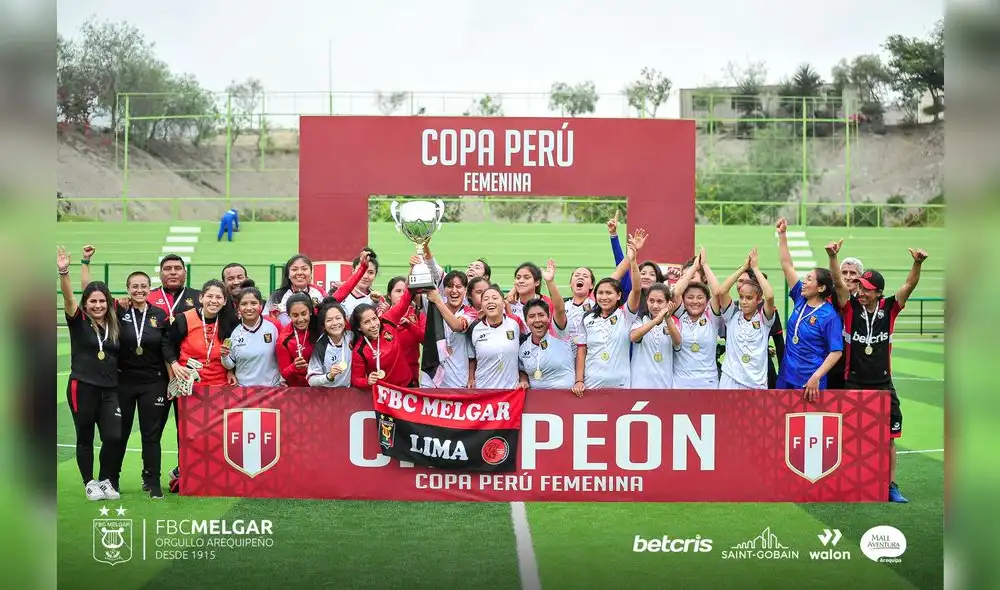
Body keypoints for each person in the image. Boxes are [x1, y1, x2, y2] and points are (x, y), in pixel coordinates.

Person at [831, 242, 928, 503]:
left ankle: (890, 486)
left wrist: (917, 263)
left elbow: (909, 285)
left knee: (888, 439)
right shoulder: (850, 307)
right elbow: (839, 285)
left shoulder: (890, 308)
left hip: (883, 384)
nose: (861, 292)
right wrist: (833, 257)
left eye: (866, 289)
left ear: (878, 293)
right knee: (849, 437)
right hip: (853, 383)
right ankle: (849, 483)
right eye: (860, 287)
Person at [81, 246, 174, 498]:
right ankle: (111, 480)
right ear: (128, 288)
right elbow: (90, 293)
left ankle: (152, 481)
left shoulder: (160, 315)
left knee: (151, 435)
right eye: (134, 286)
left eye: (143, 286)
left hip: (153, 383)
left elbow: (166, 348)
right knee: (118, 434)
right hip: (122, 382)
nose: (139, 290)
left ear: (150, 288)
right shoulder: (118, 310)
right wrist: (85, 262)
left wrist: (171, 379)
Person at [58, 246, 122, 501]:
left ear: (108, 302)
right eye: (93, 301)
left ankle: (105, 480)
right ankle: (89, 483)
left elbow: (91, 287)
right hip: (82, 387)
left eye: (102, 301)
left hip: (110, 389)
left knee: (113, 436)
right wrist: (64, 271)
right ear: (86, 304)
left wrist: (86, 262)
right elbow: (69, 297)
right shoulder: (78, 320)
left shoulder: (114, 322)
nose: (97, 305)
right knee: (85, 436)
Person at [775, 218, 843, 400]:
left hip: (810, 382)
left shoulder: (829, 316)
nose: (803, 282)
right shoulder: (800, 298)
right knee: (780, 417)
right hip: (786, 376)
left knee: (803, 419)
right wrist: (782, 235)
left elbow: (836, 351)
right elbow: (787, 266)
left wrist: (816, 377)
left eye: (809, 279)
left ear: (821, 288)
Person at [574, 230, 645, 394]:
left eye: (609, 293)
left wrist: (633, 260)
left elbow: (637, 289)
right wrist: (579, 380)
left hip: (621, 385)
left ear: (618, 295)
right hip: (591, 385)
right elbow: (582, 350)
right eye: (600, 293)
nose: (604, 297)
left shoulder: (625, 314)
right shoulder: (587, 318)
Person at [716, 248, 777, 389]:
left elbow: (770, 296)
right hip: (730, 380)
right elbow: (722, 291)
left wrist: (755, 269)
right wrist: (744, 268)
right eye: (741, 297)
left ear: (758, 300)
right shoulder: (732, 315)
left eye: (749, 298)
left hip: (755, 383)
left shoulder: (764, 320)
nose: (744, 301)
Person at [671, 248, 725, 390]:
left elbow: (717, 292)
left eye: (700, 298)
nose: (695, 301)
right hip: (680, 384)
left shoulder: (711, 315)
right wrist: (694, 268)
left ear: (706, 300)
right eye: (690, 297)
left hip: (708, 384)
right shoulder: (679, 313)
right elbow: (677, 292)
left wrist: (704, 265)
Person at [519, 260, 575, 390]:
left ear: (549, 317)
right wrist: (523, 379)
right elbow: (522, 369)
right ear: (526, 321)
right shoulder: (523, 347)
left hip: (566, 398)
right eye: (532, 316)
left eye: (541, 315)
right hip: (538, 400)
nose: (537, 320)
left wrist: (550, 282)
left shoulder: (558, 333)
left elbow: (559, 309)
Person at [350, 280, 417, 388]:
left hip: (406, 387)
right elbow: (356, 379)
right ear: (359, 328)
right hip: (383, 393)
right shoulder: (359, 350)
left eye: (374, 319)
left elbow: (405, 300)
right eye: (366, 322)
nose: (373, 325)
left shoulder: (387, 320)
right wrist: (367, 381)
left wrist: (411, 276)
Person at [419, 271, 479, 388]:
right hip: (431, 382)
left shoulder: (470, 313)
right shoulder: (432, 307)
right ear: (444, 290)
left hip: (457, 381)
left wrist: (438, 300)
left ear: (465, 290)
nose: (454, 290)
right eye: (450, 286)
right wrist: (414, 268)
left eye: (459, 287)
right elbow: (413, 292)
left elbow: (457, 326)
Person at [467, 286, 530, 390]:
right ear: (482, 305)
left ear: (503, 303)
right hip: (483, 391)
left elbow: (522, 356)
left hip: (511, 392)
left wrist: (523, 379)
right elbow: (471, 357)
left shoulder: (515, 324)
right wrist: (471, 378)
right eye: (486, 299)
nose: (490, 301)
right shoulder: (474, 328)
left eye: (495, 298)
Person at [222, 282, 282, 386]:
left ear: (261, 305)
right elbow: (230, 365)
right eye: (244, 304)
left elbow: (282, 356)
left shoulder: (273, 327)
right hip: (244, 390)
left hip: (271, 389)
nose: (249, 308)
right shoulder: (235, 333)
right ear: (238, 307)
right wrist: (224, 356)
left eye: (253, 303)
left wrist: (282, 378)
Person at [735, 269, 785, 389]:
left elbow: (779, 343)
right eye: (739, 281)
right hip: (736, 370)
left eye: (746, 281)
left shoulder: (767, 310)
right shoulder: (732, 309)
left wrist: (783, 375)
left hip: (763, 369)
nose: (742, 285)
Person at [629, 284, 681, 389]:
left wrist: (667, 318)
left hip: (664, 383)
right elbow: (633, 337)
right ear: (646, 301)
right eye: (651, 301)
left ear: (668, 303)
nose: (655, 306)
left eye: (660, 301)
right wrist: (656, 320)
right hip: (640, 384)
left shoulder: (673, 321)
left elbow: (677, 342)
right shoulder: (640, 319)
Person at [264, 254, 326, 327]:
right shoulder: (277, 296)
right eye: (294, 269)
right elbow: (265, 320)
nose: (299, 273)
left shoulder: (319, 294)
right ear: (288, 274)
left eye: (304, 269)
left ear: (311, 272)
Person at [275, 293, 320, 387]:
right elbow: (284, 374)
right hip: (298, 388)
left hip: (321, 385)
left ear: (310, 312)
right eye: (295, 315)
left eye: (304, 314)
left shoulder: (319, 326)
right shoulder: (283, 340)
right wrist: (294, 367)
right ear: (289, 315)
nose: (300, 319)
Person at [307, 300, 354, 388]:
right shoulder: (321, 345)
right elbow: (311, 380)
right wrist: (329, 376)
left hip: (348, 391)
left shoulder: (351, 337)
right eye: (329, 320)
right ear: (324, 326)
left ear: (345, 320)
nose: (335, 323)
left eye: (338, 318)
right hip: (327, 393)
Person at [150, 254, 201, 322]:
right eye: (167, 269)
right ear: (160, 274)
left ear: (185, 274)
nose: (173, 272)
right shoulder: (148, 297)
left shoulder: (199, 297)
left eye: (177, 268)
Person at [339, 251, 381, 317]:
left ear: (375, 275)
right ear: (353, 271)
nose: (365, 276)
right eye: (362, 271)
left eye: (370, 272)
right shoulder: (340, 295)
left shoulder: (379, 300)